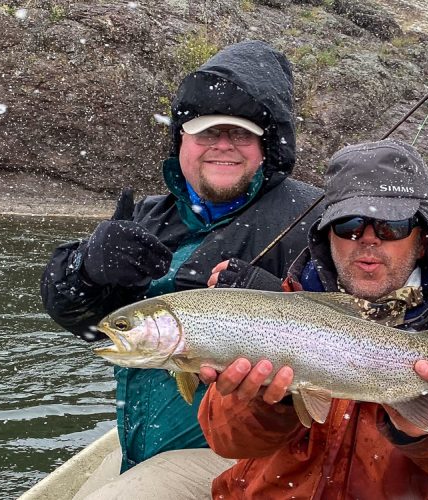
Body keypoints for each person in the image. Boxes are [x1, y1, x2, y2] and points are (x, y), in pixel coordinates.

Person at [40, 40, 322, 475]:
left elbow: (363, 324)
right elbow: (83, 322)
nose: (224, 145)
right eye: (208, 131)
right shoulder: (146, 216)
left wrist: (284, 300)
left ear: (266, 145)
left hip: (251, 459)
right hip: (142, 444)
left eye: (242, 133)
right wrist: (87, 272)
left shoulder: (315, 219)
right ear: (181, 141)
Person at [198, 139, 428, 499]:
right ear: (327, 236)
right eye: (350, 224)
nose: (369, 240)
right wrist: (272, 402)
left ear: (421, 240)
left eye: (392, 226)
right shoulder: (276, 314)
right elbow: (223, 440)